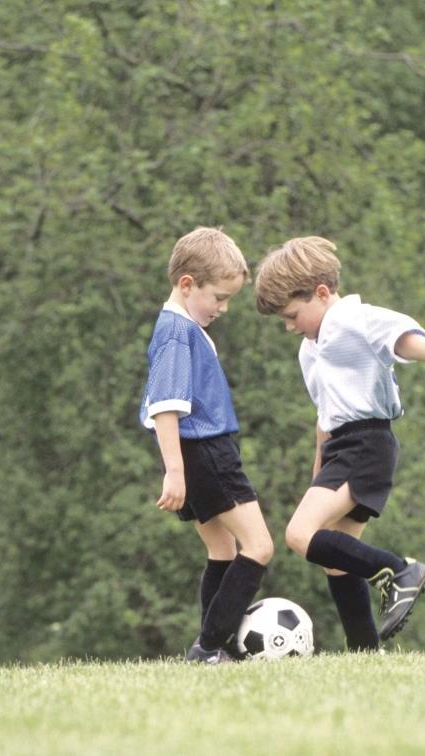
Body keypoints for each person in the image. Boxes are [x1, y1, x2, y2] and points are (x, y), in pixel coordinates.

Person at [254, 236, 425, 650]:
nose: (290, 325)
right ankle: (365, 652)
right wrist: (318, 472)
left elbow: (399, 336)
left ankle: (400, 571)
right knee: (337, 559)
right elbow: (325, 414)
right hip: (340, 449)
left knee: (300, 536)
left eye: (293, 315)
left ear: (321, 293)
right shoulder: (308, 349)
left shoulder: (352, 318)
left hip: (366, 444)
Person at [139, 227, 273, 664]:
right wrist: (175, 471)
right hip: (206, 453)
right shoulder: (178, 332)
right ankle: (211, 647)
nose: (223, 308)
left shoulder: (179, 326)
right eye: (218, 297)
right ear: (186, 284)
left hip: (199, 455)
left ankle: (213, 649)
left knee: (222, 550)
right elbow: (165, 406)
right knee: (259, 547)